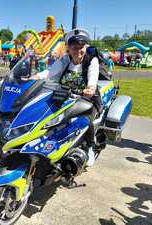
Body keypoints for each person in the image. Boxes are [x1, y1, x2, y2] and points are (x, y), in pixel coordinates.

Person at [29, 28, 101, 166]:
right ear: (68, 48)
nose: (78, 51)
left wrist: (91, 88)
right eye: (75, 47)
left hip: (87, 99)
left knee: (84, 121)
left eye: (81, 47)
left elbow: (93, 76)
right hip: (64, 98)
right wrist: (34, 78)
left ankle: (90, 147)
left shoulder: (91, 60)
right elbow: (49, 72)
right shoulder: (64, 60)